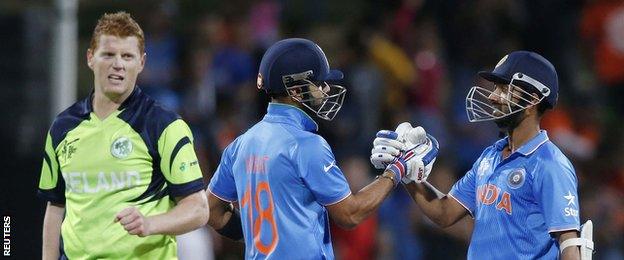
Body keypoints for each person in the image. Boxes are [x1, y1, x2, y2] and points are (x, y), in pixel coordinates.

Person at [371, 51, 594, 259]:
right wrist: (407, 171)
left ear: (533, 100)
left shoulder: (550, 164)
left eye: (504, 89)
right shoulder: (490, 156)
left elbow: (569, 243)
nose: (493, 97)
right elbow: (445, 212)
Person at [206, 38, 412, 259]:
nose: (325, 89)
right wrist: (397, 169)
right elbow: (349, 214)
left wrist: (260, 235)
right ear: (295, 90)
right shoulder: (306, 145)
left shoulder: (240, 144)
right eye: (318, 83)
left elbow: (212, 212)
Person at [37, 12, 208, 259]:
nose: (118, 64)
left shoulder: (163, 124)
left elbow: (198, 209)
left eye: (127, 56)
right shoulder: (63, 127)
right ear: (90, 58)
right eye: (108, 54)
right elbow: (55, 207)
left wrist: (150, 224)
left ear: (141, 63)